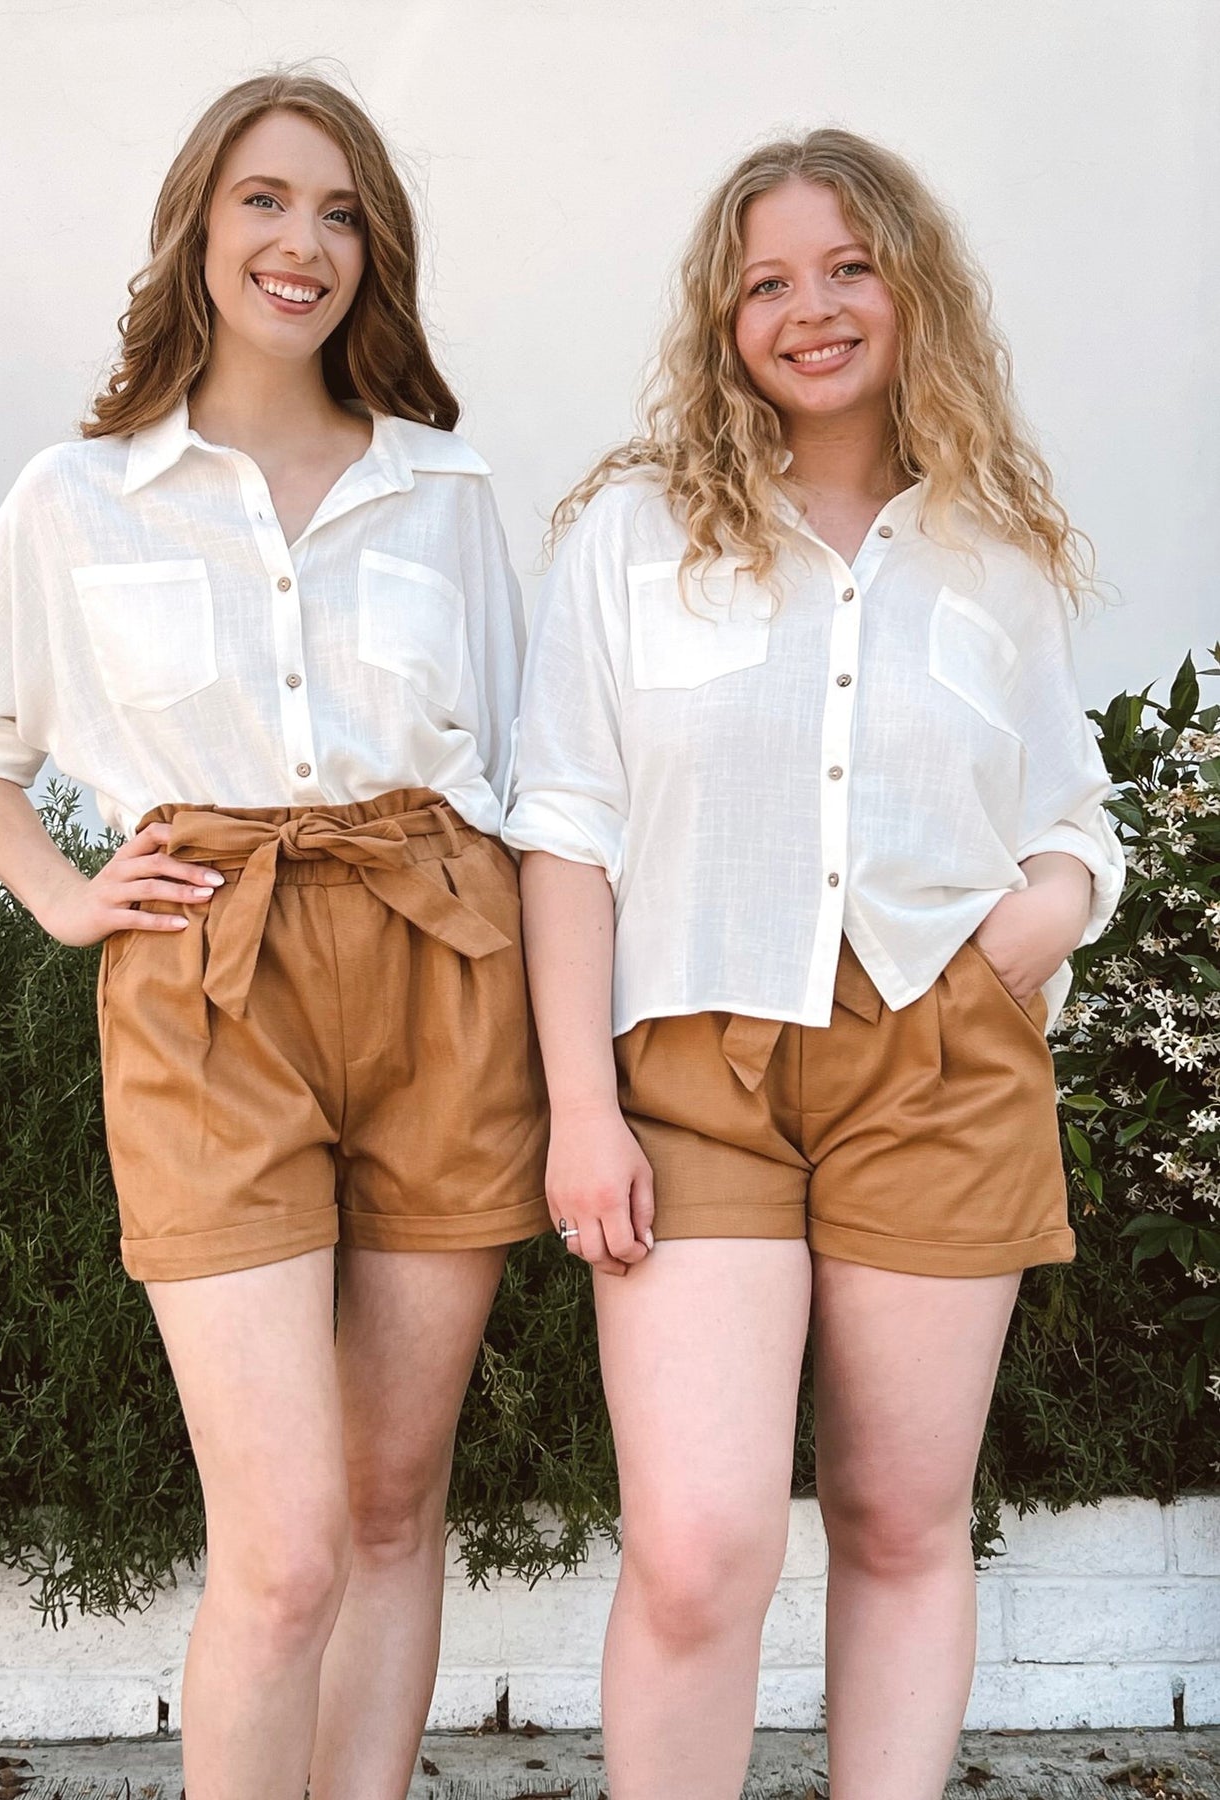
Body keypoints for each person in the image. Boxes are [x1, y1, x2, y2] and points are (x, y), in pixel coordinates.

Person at [0, 71, 548, 1800]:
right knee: (283, 1549)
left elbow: (521, 777)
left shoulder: (444, 489)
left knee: (393, 1504)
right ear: (197, 226)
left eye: (339, 213)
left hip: (439, 966)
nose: (300, 243)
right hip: (207, 987)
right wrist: (64, 896)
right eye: (264, 199)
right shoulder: (79, 495)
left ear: (373, 252)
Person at [504, 128, 1124, 1800]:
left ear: (910, 289)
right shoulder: (632, 533)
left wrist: (1050, 905)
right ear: (724, 321)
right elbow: (562, 826)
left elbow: (1071, 809)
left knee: (903, 1523)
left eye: (848, 267)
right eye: (766, 281)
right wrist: (579, 1111)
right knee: (698, 1546)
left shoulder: (993, 551)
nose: (811, 308)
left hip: (938, 1056)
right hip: (692, 1071)